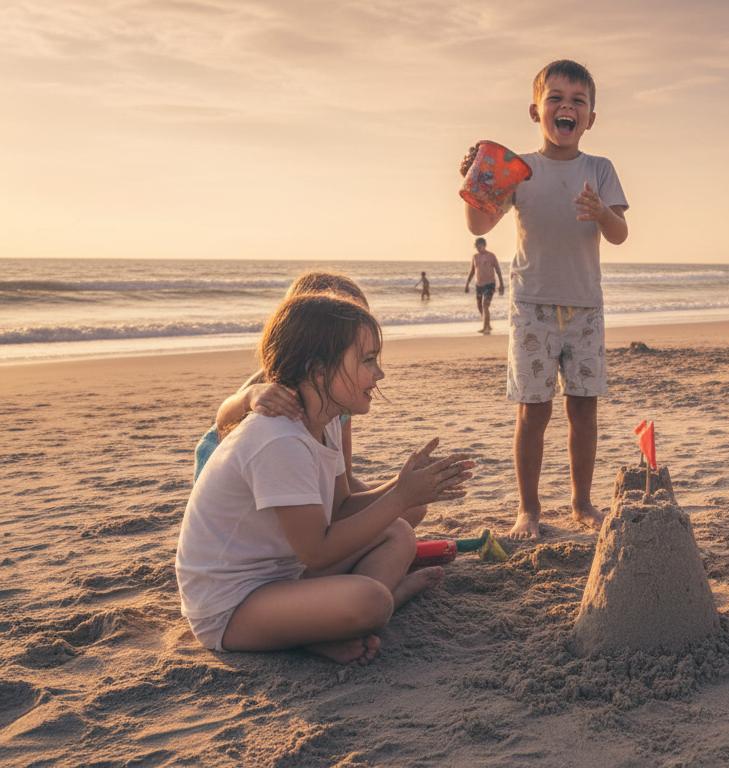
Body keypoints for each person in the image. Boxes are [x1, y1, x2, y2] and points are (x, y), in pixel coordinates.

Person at [175, 293, 475, 663]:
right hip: (231, 604)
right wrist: (400, 497)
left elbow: (341, 507)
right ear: (319, 371)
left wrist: (405, 488)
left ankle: (321, 627)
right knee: (373, 601)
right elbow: (317, 549)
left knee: (399, 532)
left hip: (284, 576)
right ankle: (365, 611)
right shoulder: (278, 439)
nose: (379, 373)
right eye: (367, 361)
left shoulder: (326, 419)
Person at [459, 59, 628, 539]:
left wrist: (600, 211)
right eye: (555, 97)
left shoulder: (600, 169)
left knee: (583, 409)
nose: (566, 107)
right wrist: (478, 184)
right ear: (536, 110)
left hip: (585, 309)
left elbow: (619, 234)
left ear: (590, 118)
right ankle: (528, 509)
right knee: (533, 411)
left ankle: (581, 502)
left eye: (578, 101)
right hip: (532, 306)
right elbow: (478, 226)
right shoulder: (521, 170)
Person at [196, 273, 386, 505]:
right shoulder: (273, 384)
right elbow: (223, 422)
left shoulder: (336, 400)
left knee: (410, 509)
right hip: (238, 484)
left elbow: (342, 477)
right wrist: (248, 397)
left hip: (295, 477)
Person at [464, 237, 505, 334]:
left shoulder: (491, 256)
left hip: (490, 284)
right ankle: (488, 324)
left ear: (484, 245)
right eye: (476, 247)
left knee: (485, 305)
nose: (478, 249)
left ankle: (485, 327)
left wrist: (501, 284)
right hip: (479, 285)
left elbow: (498, 270)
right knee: (479, 306)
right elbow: (472, 271)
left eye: (479, 246)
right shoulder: (475, 256)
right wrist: (467, 284)